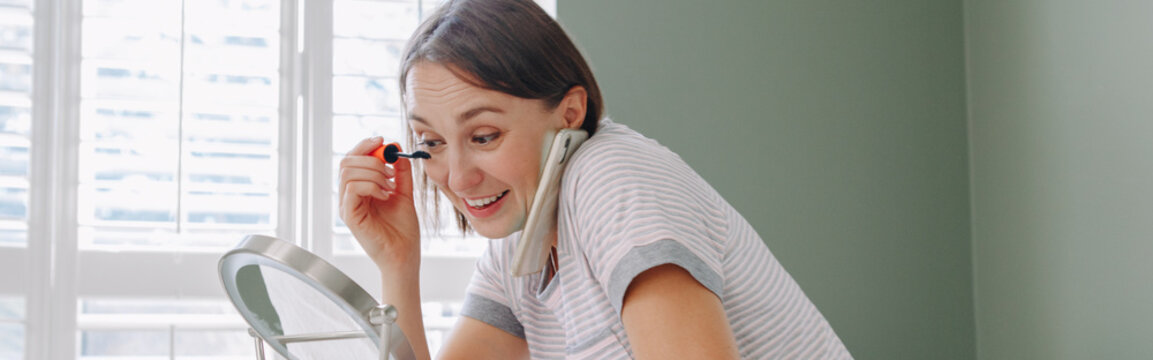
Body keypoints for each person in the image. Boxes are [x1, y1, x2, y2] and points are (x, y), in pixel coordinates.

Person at [338, 0, 852, 358]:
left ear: (569, 113)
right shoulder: (521, 248)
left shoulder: (612, 179)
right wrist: (398, 265)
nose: (456, 177)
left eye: (485, 135)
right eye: (431, 143)